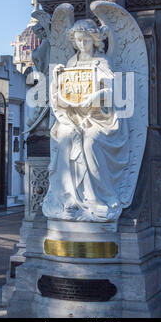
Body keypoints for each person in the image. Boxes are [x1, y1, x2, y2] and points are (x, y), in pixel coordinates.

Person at [42, 19, 131, 222]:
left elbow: (112, 91)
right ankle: (69, 198)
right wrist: (56, 80)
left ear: (95, 40)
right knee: (65, 137)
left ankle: (96, 198)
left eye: (86, 40)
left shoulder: (101, 63)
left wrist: (96, 97)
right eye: (78, 41)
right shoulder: (71, 64)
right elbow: (60, 94)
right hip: (73, 116)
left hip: (100, 118)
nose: (82, 45)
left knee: (90, 141)